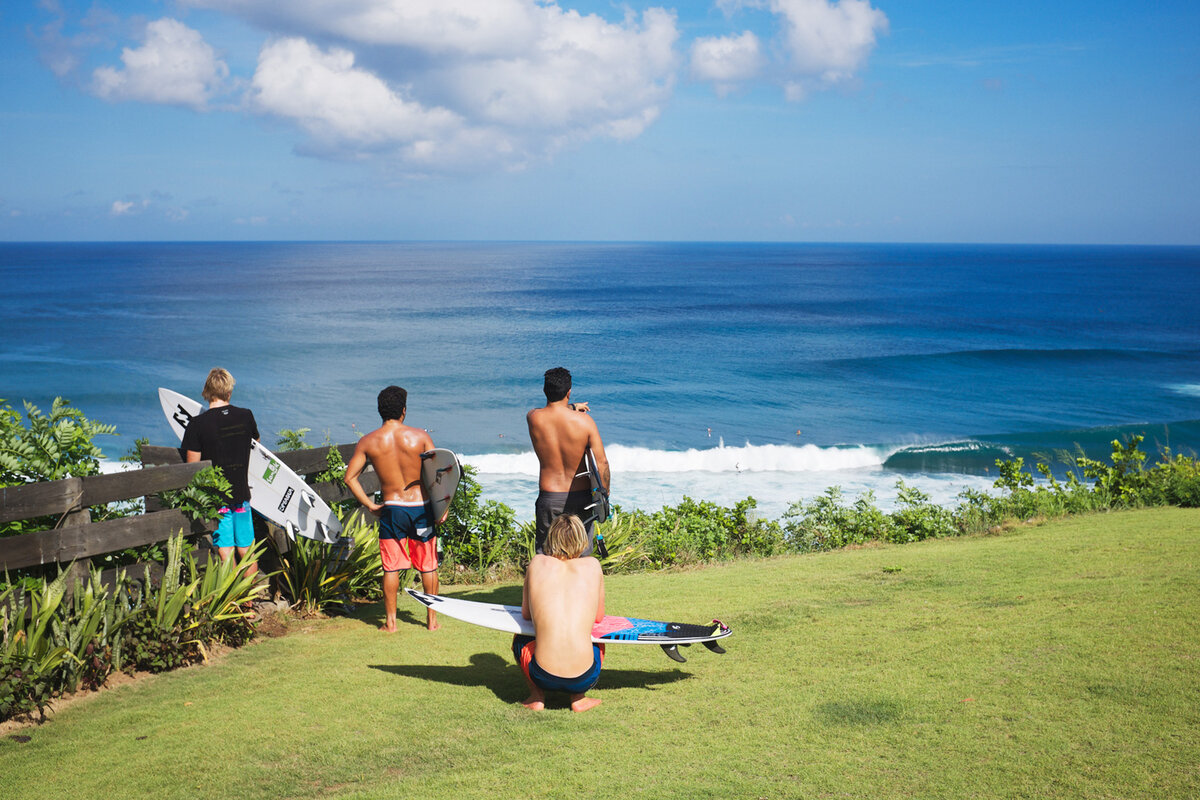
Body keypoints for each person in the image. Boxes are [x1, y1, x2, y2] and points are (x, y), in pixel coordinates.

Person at [344, 385, 440, 632]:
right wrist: (442, 507)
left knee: (391, 566)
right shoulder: (420, 437)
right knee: (428, 564)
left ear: (380, 411)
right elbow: (437, 476)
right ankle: (432, 622)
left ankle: (390, 623)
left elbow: (350, 478)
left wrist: (370, 505)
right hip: (421, 507)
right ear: (404, 411)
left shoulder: (369, 441)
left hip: (392, 509)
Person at [512, 514, 606, 712]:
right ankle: (578, 698)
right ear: (582, 539)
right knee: (596, 638)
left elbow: (526, 614)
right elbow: (598, 618)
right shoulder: (593, 566)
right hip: (585, 676)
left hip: (541, 674)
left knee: (520, 638)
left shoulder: (537, 563)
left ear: (551, 538)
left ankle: (537, 697)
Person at [182, 368, 260, 576]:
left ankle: (234, 602)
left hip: (218, 500)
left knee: (226, 550)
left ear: (207, 391)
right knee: (247, 549)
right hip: (242, 496)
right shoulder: (246, 416)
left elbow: (193, 468)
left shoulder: (197, 424)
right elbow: (256, 444)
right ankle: (250, 602)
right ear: (229, 392)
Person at [526, 367, 610, 556]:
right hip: (581, 497)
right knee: (580, 554)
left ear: (544, 390)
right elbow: (602, 462)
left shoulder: (533, 418)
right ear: (569, 392)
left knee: (547, 555)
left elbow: (551, 411)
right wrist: (604, 494)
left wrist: (570, 406)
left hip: (549, 497)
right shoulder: (585, 422)